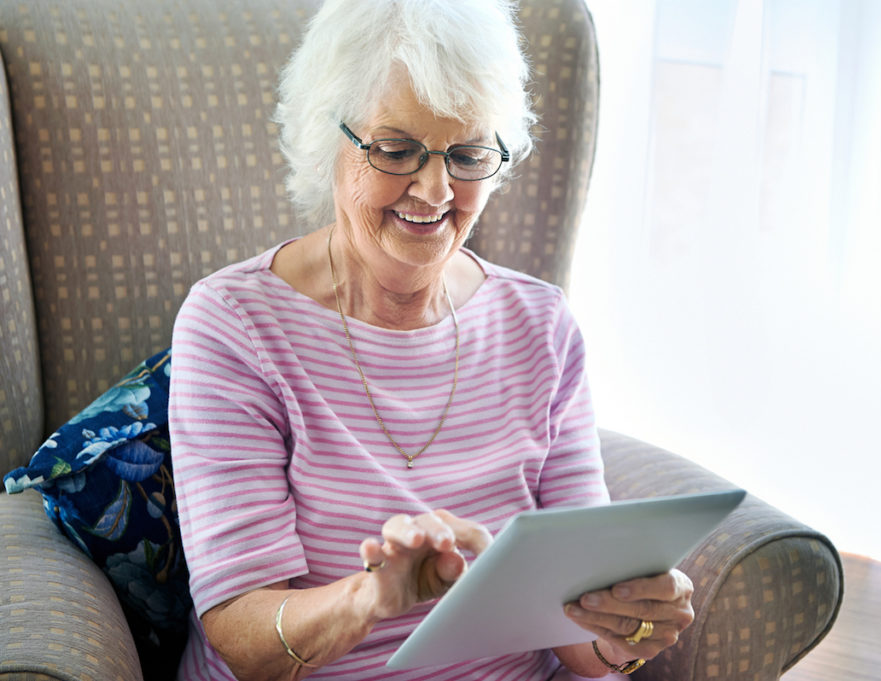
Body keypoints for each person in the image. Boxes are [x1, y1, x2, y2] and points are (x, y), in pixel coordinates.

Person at [168, 1, 694, 679]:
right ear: (325, 136)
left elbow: (578, 636)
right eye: (395, 149)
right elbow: (242, 633)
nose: (435, 188)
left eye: (468, 154)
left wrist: (629, 626)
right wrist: (370, 597)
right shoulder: (235, 324)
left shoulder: (541, 326)